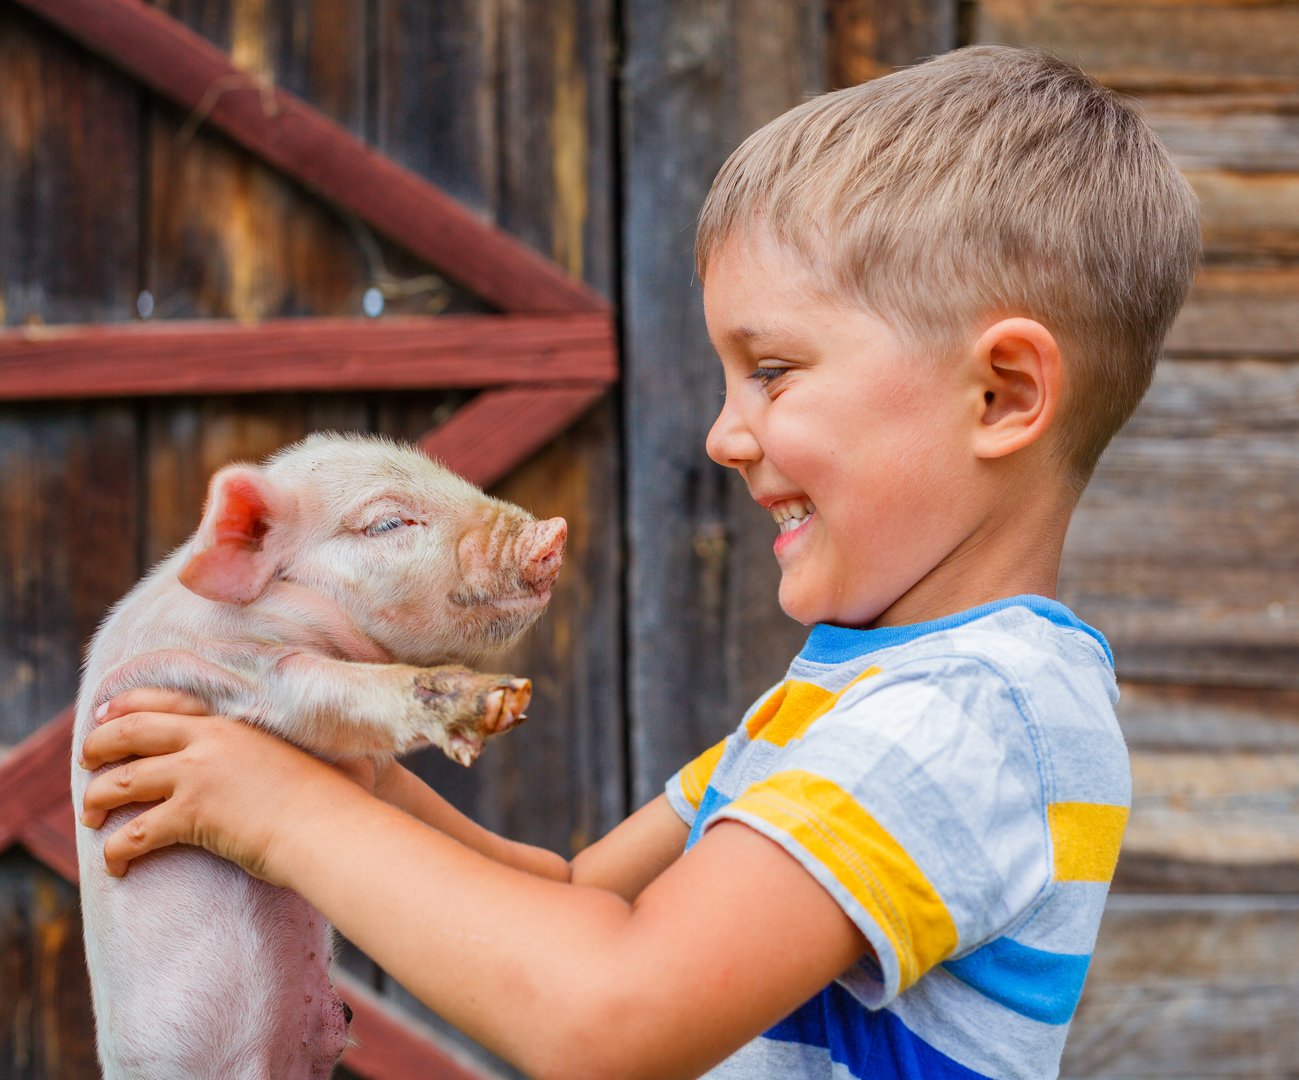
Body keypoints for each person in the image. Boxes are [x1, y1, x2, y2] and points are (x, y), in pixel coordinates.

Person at [79, 44, 1200, 1080]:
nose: (724, 432)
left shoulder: (967, 715)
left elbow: (614, 1012)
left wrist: (283, 816)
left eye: (771, 371)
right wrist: (347, 776)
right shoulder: (843, 701)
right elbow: (574, 896)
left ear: (1000, 395)